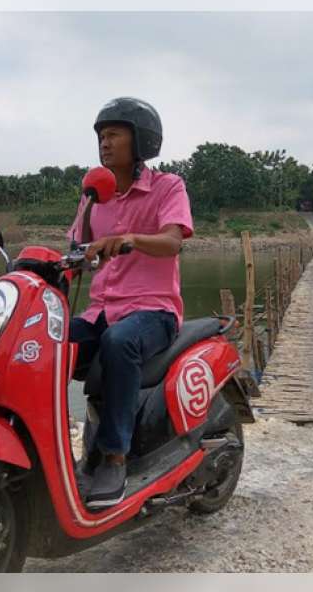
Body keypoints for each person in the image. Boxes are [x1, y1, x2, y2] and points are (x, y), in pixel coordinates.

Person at [67, 97, 193, 509]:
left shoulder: (167, 187)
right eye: (101, 136)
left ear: (140, 141)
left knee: (119, 342)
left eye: (114, 135)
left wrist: (132, 239)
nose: (105, 143)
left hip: (153, 311)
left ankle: (115, 457)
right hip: (99, 311)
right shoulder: (94, 197)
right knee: (48, 339)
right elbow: (75, 250)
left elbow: (173, 241)